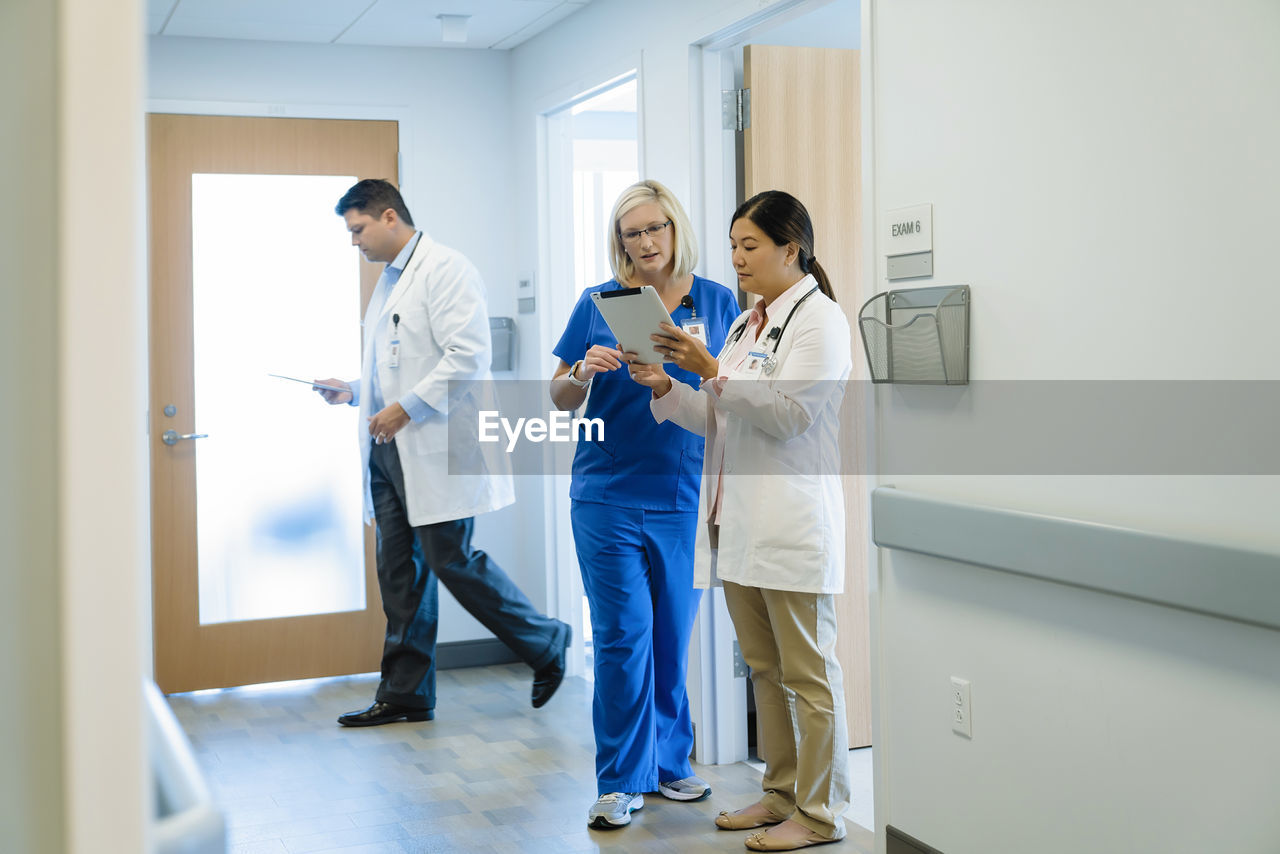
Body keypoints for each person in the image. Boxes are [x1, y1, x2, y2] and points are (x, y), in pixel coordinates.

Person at [628, 190, 853, 851]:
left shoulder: (822, 322)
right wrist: (670, 387)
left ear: (792, 249)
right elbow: (720, 419)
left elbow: (789, 415)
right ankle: (780, 795)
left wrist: (711, 372)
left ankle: (820, 813)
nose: (736, 258)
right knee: (764, 669)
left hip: (791, 524)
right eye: (732, 246)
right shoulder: (747, 324)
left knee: (810, 676)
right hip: (738, 524)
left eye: (749, 246)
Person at [315, 178, 571, 727]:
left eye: (357, 229)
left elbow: (468, 357)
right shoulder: (389, 281)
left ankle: (544, 638)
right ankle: (405, 692)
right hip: (390, 449)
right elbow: (398, 363)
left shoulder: (447, 269)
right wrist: (356, 391)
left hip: (438, 444)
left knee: (449, 559)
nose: (353, 242)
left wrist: (406, 407)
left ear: (388, 217)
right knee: (398, 575)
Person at [549, 180, 740, 829]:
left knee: (669, 634)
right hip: (606, 492)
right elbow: (556, 395)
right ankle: (619, 780)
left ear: (674, 228)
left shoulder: (718, 301)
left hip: (682, 494)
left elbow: (733, 388)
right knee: (623, 636)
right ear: (620, 241)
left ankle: (668, 763)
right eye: (632, 233)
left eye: (655, 228)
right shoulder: (598, 303)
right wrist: (581, 372)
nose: (645, 242)